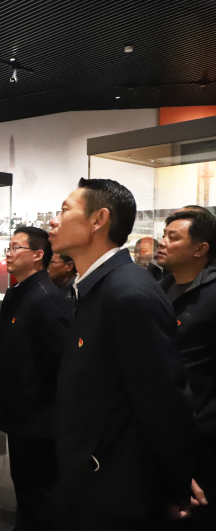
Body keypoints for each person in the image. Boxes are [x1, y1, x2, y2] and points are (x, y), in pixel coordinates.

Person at [48, 178, 193, 530]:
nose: (54, 220)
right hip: (92, 479)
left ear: (98, 220)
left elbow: (163, 400)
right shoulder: (97, 288)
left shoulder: (127, 293)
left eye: (65, 210)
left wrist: (175, 486)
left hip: (117, 493)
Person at [0, 226, 70, 531]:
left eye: (16, 248)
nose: (9, 254)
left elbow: (62, 362)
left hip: (39, 415)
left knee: (41, 491)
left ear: (38, 255)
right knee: (25, 485)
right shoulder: (19, 291)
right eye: (9, 247)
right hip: (20, 410)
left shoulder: (46, 297)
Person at [157, 209, 216, 530]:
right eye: (164, 235)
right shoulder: (158, 288)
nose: (162, 242)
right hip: (164, 425)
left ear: (200, 249)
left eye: (173, 237)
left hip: (203, 433)